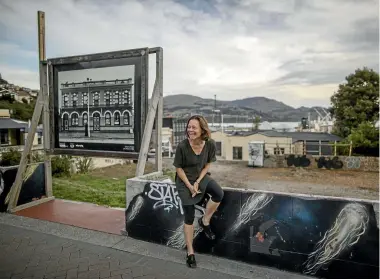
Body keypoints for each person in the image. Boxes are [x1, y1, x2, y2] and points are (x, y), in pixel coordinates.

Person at [173, 115, 224, 268]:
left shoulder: (210, 144)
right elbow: (178, 169)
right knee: (188, 217)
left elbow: (208, 163)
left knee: (218, 193)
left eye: (194, 127)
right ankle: (190, 252)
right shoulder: (182, 146)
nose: (190, 130)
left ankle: (205, 220)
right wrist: (190, 186)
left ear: (202, 129)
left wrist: (198, 181)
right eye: (189, 127)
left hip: (200, 177)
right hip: (184, 181)